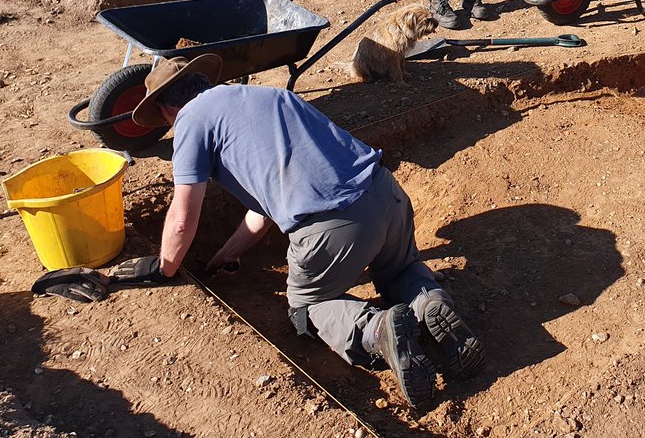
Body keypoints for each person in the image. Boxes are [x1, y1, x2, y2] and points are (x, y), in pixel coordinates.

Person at [109, 55, 484, 408]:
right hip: (386, 193)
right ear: (202, 82)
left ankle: (377, 329)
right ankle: (431, 304)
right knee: (401, 269)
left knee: (306, 309)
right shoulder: (269, 96)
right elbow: (264, 208)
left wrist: (165, 268)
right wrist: (228, 254)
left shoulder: (191, 120)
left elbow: (181, 217)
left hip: (334, 228)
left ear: (166, 109)